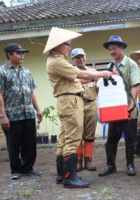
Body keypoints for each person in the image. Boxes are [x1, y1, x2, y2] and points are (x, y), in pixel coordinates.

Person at [44, 27, 111, 188]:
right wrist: (102, 74)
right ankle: (70, 178)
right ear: (58, 45)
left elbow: (75, 79)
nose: (69, 47)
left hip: (68, 101)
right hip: (71, 102)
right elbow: (81, 74)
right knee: (73, 139)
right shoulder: (57, 61)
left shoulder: (56, 60)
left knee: (64, 138)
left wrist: (90, 78)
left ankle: (62, 175)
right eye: (67, 44)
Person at [0, 43, 43, 180]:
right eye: (18, 53)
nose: (22, 55)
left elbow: (31, 92)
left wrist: (38, 109)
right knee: (14, 144)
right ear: (9, 55)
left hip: (28, 113)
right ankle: (16, 170)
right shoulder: (0, 72)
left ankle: (28, 168)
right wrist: (3, 116)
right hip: (12, 115)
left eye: (23, 53)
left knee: (30, 143)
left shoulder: (26, 71)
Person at [98, 35, 140, 177]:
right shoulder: (109, 67)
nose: (112, 52)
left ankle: (130, 165)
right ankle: (110, 165)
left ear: (121, 48)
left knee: (130, 139)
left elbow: (135, 85)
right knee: (111, 140)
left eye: (114, 48)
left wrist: (132, 104)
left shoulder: (131, 64)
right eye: (110, 49)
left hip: (129, 110)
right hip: (114, 111)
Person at [71, 48, 97, 171]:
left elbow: (100, 89)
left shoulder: (93, 72)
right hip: (77, 105)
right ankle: (77, 161)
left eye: (82, 56)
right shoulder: (71, 72)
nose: (80, 59)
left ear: (85, 57)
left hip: (91, 104)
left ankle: (88, 160)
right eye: (77, 57)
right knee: (77, 134)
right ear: (73, 60)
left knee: (90, 134)